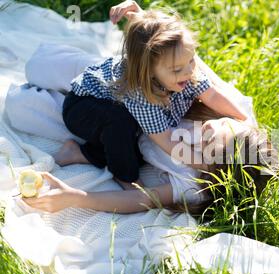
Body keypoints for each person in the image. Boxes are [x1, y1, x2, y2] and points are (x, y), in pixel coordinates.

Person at [55, 1, 248, 191]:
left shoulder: (187, 73)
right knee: (121, 126)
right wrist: (205, 166)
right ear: (149, 71)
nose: (188, 71)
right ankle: (124, 177)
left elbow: (212, 96)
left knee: (138, 149)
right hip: (82, 108)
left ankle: (81, 153)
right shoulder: (141, 92)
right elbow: (167, 140)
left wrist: (243, 119)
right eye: (177, 69)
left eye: (191, 60)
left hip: (115, 105)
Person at [23, 114, 279, 215]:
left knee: (25, 110)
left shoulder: (193, 184)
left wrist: (76, 197)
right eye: (224, 123)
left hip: (125, 134)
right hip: (142, 107)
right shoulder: (229, 127)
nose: (211, 126)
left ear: (213, 172)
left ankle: (82, 153)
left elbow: (140, 199)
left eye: (209, 140)